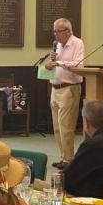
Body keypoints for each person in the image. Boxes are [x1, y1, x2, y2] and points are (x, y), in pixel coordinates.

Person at [44, 18, 85, 167]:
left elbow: (78, 64)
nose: (56, 34)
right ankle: (63, 157)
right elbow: (56, 65)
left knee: (66, 127)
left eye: (59, 31)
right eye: (54, 31)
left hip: (69, 88)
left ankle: (69, 159)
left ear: (68, 31)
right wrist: (50, 63)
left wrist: (58, 62)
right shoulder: (57, 46)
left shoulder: (77, 43)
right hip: (55, 88)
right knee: (57, 127)